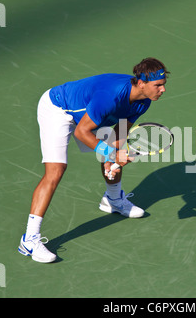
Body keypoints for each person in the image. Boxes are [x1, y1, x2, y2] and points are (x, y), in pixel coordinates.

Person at [18, 57, 169, 263]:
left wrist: (114, 157)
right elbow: (82, 132)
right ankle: (29, 239)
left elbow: (119, 133)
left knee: (112, 149)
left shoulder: (143, 101)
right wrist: (111, 154)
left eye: (163, 85)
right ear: (141, 83)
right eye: (158, 85)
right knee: (56, 170)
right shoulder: (110, 97)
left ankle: (113, 200)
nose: (162, 90)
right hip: (58, 109)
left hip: (93, 113)